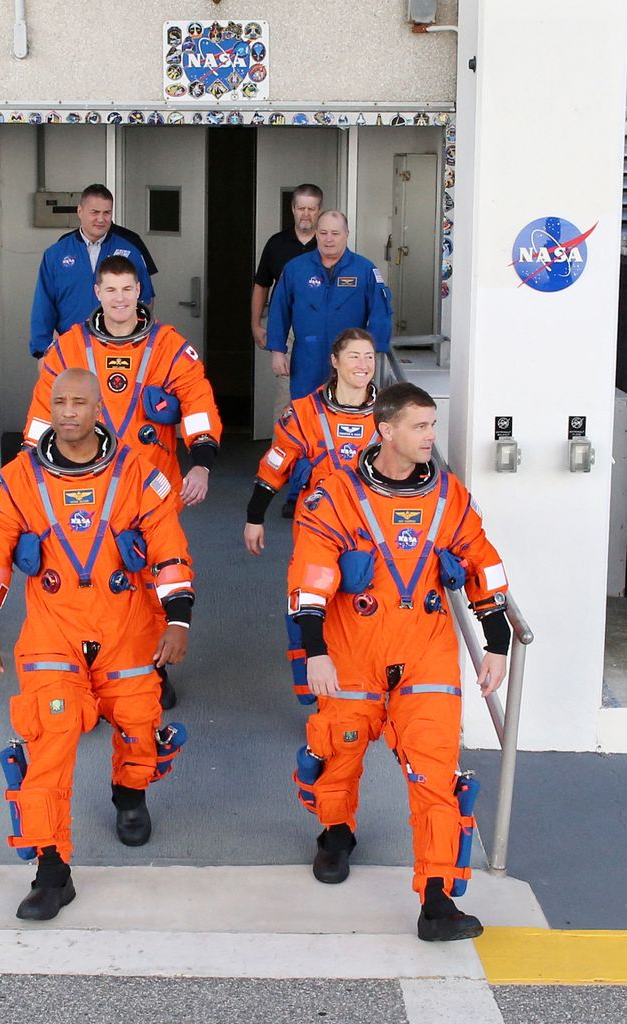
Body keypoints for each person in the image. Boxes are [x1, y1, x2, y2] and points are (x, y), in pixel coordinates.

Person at [0, 369, 194, 922]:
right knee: (50, 738)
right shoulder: (19, 480)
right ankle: (52, 872)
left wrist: (178, 620)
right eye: (59, 402)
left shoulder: (138, 474)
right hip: (54, 632)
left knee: (140, 725)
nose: (68, 411)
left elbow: (168, 549)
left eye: (79, 403)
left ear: (98, 410)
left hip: (126, 630)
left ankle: (130, 794)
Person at [287, 382, 510, 942]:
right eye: (420, 426)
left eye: (432, 425)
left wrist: (497, 639)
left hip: (425, 653)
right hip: (352, 652)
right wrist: (315, 651)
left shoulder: (450, 497)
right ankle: (336, 833)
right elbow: (310, 575)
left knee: (436, 775)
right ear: (385, 430)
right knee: (337, 752)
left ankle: (436, 900)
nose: (431, 436)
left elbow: (482, 560)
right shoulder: (336, 496)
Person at [24, 254, 222, 709]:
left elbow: (197, 403)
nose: (119, 299)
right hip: (83, 485)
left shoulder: (169, 347)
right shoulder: (69, 349)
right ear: (97, 293)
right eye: (110, 290)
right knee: (89, 579)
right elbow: (41, 415)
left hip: (149, 487)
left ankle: (153, 670)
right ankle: (90, 674)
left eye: (127, 290)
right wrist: (28, 478)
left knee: (151, 578)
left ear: (140, 294)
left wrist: (202, 462)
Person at [244, 329, 377, 703]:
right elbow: (274, 466)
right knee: (306, 599)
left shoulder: (389, 413)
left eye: (369, 357)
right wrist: (255, 516)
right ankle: (310, 688)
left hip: (370, 529)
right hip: (316, 528)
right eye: (353, 356)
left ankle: (355, 687)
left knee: (363, 603)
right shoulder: (305, 411)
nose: (363, 365)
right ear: (335, 361)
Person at [266, 210, 393, 403]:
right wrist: (277, 351)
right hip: (307, 359)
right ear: (316, 234)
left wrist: (370, 354)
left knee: (348, 411)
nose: (329, 239)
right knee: (306, 411)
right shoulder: (296, 268)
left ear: (346, 234)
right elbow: (279, 311)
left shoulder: (364, 269)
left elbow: (381, 313)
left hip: (349, 360)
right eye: (323, 233)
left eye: (335, 233)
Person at [29, 184, 157, 359]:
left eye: (107, 213)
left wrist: (137, 342)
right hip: (70, 347)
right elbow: (43, 305)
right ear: (80, 211)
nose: (101, 219)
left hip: (118, 349)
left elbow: (146, 300)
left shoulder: (130, 250)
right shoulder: (56, 253)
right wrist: (42, 351)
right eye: (94, 212)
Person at [250, 184, 323, 352]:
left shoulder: (328, 245)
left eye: (311, 209)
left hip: (320, 326)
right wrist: (255, 324)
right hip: (284, 324)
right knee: (284, 369)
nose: (306, 214)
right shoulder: (276, 243)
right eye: (301, 208)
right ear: (293, 209)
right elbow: (261, 285)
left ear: (319, 210)